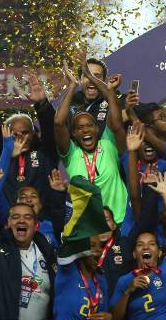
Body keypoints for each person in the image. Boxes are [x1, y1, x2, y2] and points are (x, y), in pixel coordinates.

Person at [54, 54, 129, 224]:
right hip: (86, 226)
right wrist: (72, 85)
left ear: (98, 128)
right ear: (73, 133)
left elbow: (116, 124)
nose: (86, 130)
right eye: (80, 128)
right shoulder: (71, 154)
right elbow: (58, 123)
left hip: (119, 221)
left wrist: (91, 77)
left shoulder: (108, 143)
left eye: (90, 126)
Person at [110, 172, 166, 320]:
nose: (146, 247)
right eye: (140, 244)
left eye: (151, 244)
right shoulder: (125, 281)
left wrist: (165, 195)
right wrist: (128, 291)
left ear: (159, 252)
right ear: (134, 253)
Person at [0, 69, 59, 215]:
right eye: (14, 134)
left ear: (34, 135)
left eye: (25, 132)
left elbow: (51, 136)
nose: (20, 137)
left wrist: (42, 105)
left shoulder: (45, 157)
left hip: (40, 227)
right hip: (6, 230)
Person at [0, 202, 56, 320]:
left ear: (35, 224)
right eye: (15, 217)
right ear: (8, 223)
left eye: (27, 217)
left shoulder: (46, 251)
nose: (21, 220)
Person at [49, 236, 113, 320]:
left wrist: (108, 318)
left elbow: (102, 318)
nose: (99, 250)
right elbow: (67, 245)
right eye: (92, 246)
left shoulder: (101, 281)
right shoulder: (68, 271)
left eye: (100, 246)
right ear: (80, 250)